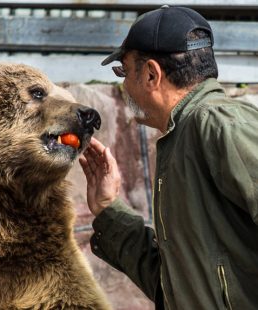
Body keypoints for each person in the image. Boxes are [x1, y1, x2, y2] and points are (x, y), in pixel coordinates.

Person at [79, 5, 258, 310]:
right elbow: (176, 288)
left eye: (124, 71)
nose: (123, 86)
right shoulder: (181, 138)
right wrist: (108, 208)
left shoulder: (221, 124)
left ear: (151, 74)